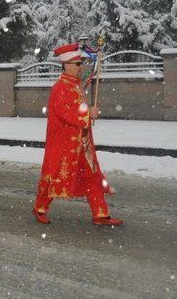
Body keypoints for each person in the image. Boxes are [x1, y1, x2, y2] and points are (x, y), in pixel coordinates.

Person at [33, 43, 123, 226]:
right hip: (65, 143)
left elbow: (77, 110)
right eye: (77, 63)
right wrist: (89, 113)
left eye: (81, 63)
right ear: (66, 65)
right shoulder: (60, 88)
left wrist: (88, 114)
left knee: (92, 175)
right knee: (54, 175)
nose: (81, 66)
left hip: (83, 142)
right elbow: (66, 113)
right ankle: (39, 208)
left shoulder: (76, 86)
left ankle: (100, 213)